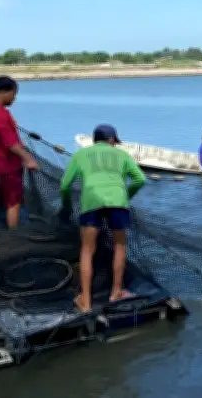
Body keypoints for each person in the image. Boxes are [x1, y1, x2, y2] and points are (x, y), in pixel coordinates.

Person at [60, 124, 146, 313]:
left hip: (91, 203)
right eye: (115, 141)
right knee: (120, 246)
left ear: (94, 140)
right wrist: (126, 196)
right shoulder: (123, 156)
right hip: (118, 202)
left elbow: (65, 185)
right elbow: (140, 179)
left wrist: (66, 207)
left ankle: (85, 300)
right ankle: (116, 292)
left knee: (87, 250)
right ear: (111, 140)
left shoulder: (80, 155)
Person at [0, 75, 38, 229]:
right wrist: (28, 159)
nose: (14, 98)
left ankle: (7, 227)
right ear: (4, 91)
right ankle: (13, 236)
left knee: (5, 200)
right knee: (14, 201)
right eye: (14, 93)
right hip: (8, 165)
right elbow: (10, 143)